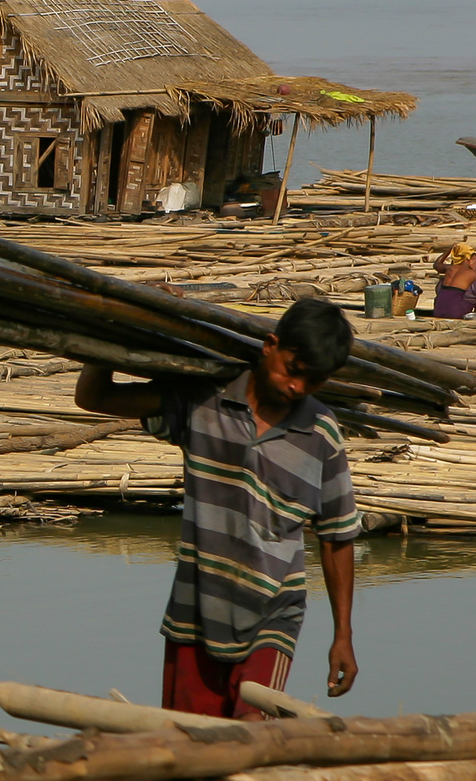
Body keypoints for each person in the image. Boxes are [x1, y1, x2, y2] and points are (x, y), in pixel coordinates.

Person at [74, 297, 360, 719]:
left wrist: (343, 636)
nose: (297, 387)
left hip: (272, 613)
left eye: (313, 382)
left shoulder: (321, 434)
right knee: (189, 748)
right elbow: (94, 397)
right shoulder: (202, 402)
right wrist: (112, 329)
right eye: (293, 371)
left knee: (251, 737)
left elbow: (337, 538)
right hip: (194, 610)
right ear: (269, 345)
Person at [432, 243, 476, 319]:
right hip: (455, 312)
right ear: (468, 260)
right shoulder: (473, 274)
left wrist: (449, 250)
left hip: (438, 310)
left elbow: (437, 264)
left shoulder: (450, 268)